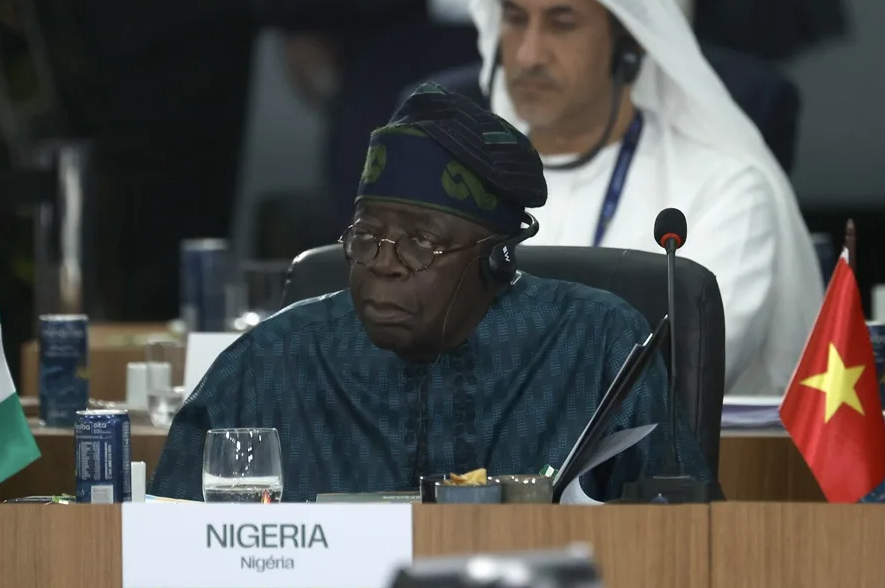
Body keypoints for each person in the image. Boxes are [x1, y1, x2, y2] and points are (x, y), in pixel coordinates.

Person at [149, 83, 711, 503]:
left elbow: (687, 538)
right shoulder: (268, 364)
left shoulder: (595, 347)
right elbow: (164, 548)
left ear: (495, 259)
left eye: (419, 244)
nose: (383, 265)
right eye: (366, 237)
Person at [468, 0, 824, 397]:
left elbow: (674, 379)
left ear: (629, 43)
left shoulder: (724, 189)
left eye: (562, 24)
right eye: (516, 19)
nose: (528, 54)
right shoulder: (460, 178)